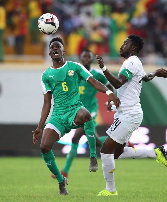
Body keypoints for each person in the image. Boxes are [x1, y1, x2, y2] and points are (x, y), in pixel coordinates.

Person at [32, 37, 120, 195]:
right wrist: (40, 127)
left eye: (58, 47)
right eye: (52, 48)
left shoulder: (74, 67)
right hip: (58, 115)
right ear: (49, 53)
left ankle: (93, 156)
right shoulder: (46, 75)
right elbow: (46, 103)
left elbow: (93, 81)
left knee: (86, 115)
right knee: (44, 147)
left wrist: (108, 93)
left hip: (75, 110)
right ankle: (61, 180)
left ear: (63, 51)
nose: (55, 49)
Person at [96, 34, 167, 196]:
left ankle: (111, 190)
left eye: (126, 43)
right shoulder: (135, 63)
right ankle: (154, 152)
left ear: (134, 48)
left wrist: (103, 68)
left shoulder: (131, 62)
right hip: (127, 114)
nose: (122, 45)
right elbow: (145, 78)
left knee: (105, 150)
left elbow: (118, 82)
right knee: (117, 153)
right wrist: (155, 73)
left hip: (129, 115)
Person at [51, 49, 114, 179]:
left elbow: (110, 87)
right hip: (78, 110)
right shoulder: (74, 73)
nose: (86, 59)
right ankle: (118, 140)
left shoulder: (96, 74)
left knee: (76, 138)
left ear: (91, 59)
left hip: (91, 110)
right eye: (83, 57)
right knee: (96, 141)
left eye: (88, 57)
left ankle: (65, 171)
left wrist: (110, 100)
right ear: (81, 59)